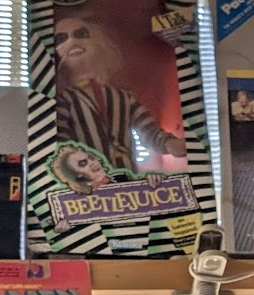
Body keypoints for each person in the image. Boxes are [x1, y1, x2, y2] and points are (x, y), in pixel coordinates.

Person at [53, 11, 182, 174]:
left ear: (99, 45)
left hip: (126, 174)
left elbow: (149, 131)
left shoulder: (124, 98)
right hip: (89, 179)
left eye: (81, 34)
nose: (72, 40)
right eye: (61, 39)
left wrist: (170, 143)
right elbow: (62, 144)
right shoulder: (65, 101)